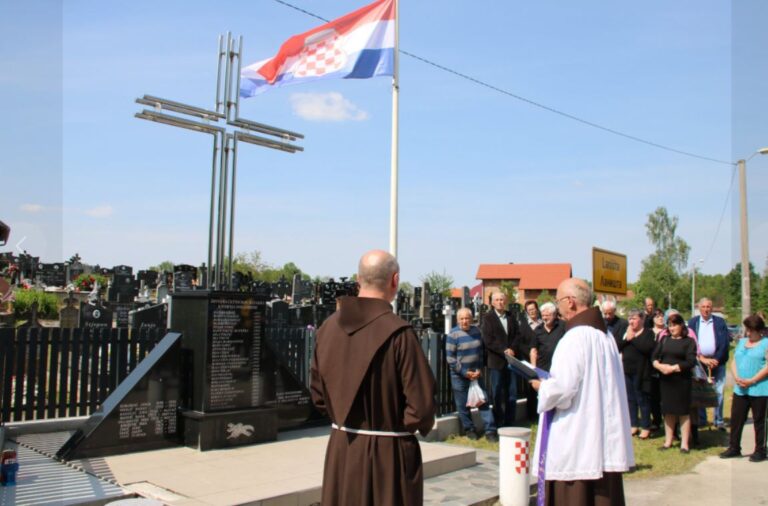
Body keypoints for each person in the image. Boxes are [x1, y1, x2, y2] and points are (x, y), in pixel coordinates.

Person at [310, 250, 437, 505]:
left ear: (359, 279)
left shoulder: (326, 329)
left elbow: (318, 396)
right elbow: (421, 409)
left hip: (342, 452)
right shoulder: (400, 335)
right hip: (387, 460)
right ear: (395, 280)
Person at [531, 278, 634, 506]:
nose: (557, 308)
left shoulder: (574, 339)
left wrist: (542, 387)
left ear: (570, 302)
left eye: (558, 302)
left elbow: (563, 389)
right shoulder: (606, 337)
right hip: (602, 439)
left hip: (577, 441)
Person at [720, 314, 768, 462]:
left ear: (759, 330)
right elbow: (734, 361)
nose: (748, 333)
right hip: (740, 389)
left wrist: (752, 380)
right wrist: (736, 377)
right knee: (737, 419)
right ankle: (734, 447)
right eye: (747, 330)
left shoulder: (766, 343)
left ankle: (760, 450)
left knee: (759, 421)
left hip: (759, 389)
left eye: (751, 330)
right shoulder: (742, 342)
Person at [446, 307, 498, 442]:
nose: (465, 321)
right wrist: (464, 372)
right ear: (458, 320)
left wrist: (479, 369)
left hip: (476, 374)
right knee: (463, 405)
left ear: (471, 319)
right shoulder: (453, 334)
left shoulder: (476, 331)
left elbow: (481, 352)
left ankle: (490, 431)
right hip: (460, 376)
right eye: (462, 319)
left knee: (483, 401)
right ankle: (470, 430)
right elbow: (450, 358)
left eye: (467, 318)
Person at [652, 313, 698, 452]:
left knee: (683, 412)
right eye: (670, 326)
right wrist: (660, 367)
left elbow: (691, 361)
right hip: (666, 381)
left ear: (681, 325)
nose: (672, 328)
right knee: (668, 411)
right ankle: (668, 441)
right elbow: (654, 357)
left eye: (674, 325)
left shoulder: (689, 341)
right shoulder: (664, 340)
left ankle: (684, 443)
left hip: (682, 381)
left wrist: (673, 368)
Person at [688, 297, 730, 430]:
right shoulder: (693, 322)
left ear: (712, 308)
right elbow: (690, 343)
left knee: (718, 392)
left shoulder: (720, 322)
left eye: (708, 307)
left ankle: (718, 420)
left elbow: (724, 343)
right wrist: (702, 359)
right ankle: (702, 419)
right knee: (700, 391)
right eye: (703, 307)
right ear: (699, 308)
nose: (706, 309)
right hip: (699, 362)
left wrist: (716, 359)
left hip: (717, 362)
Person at [481, 291, 521, 427]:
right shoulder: (487, 318)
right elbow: (488, 340)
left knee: (512, 393)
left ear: (506, 301)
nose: (500, 302)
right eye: (497, 300)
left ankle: (510, 421)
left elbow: (517, 335)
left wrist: (512, 349)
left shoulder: (511, 316)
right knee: (497, 393)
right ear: (492, 303)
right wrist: (504, 350)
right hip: (496, 361)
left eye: (502, 300)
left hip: (511, 361)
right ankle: (498, 421)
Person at [617, 309, 656, 439]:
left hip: (642, 371)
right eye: (630, 318)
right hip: (627, 370)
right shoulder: (626, 332)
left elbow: (646, 348)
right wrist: (627, 338)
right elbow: (618, 346)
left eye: (634, 318)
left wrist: (632, 339)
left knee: (642, 399)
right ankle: (633, 424)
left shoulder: (648, 333)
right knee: (630, 399)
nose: (631, 321)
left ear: (642, 319)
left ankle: (646, 426)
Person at [529, 301, 566, 373]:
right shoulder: (537, 330)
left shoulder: (563, 326)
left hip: (560, 369)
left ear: (554, 315)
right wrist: (534, 369)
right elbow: (533, 351)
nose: (544, 318)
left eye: (547, 315)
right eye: (543, 315)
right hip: (542, 370)